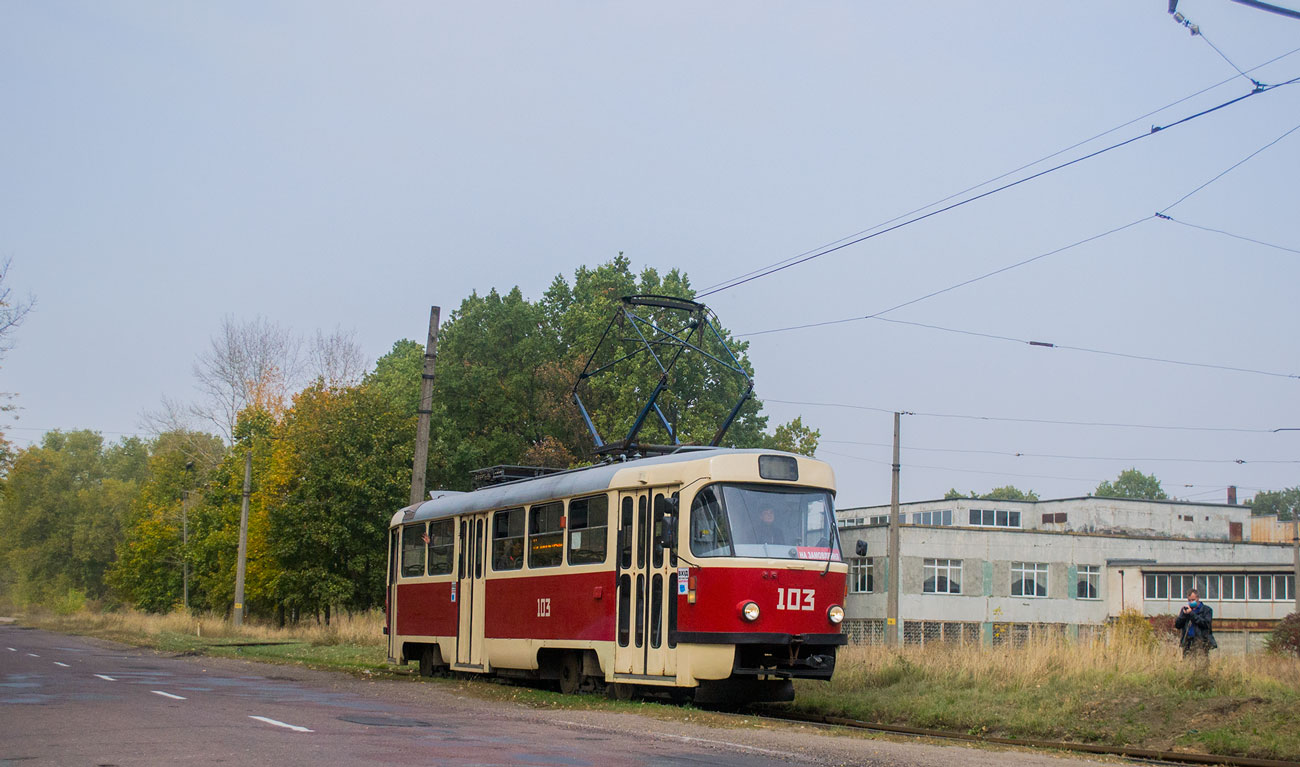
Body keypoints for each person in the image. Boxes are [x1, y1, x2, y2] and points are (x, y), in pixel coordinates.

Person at [1173, 588, 1217, 658]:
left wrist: (1192, 614)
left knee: (1201, 664)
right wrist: (1184, 615)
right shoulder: (1185, 610)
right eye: (1189, 600)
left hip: (1201, 642)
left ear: (1198, 598)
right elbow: (1177, 625)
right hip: (1187, 642)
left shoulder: (1206, 610)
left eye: (1193, 600)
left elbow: (1206, 624)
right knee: (1187, 664)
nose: (1191, 602)